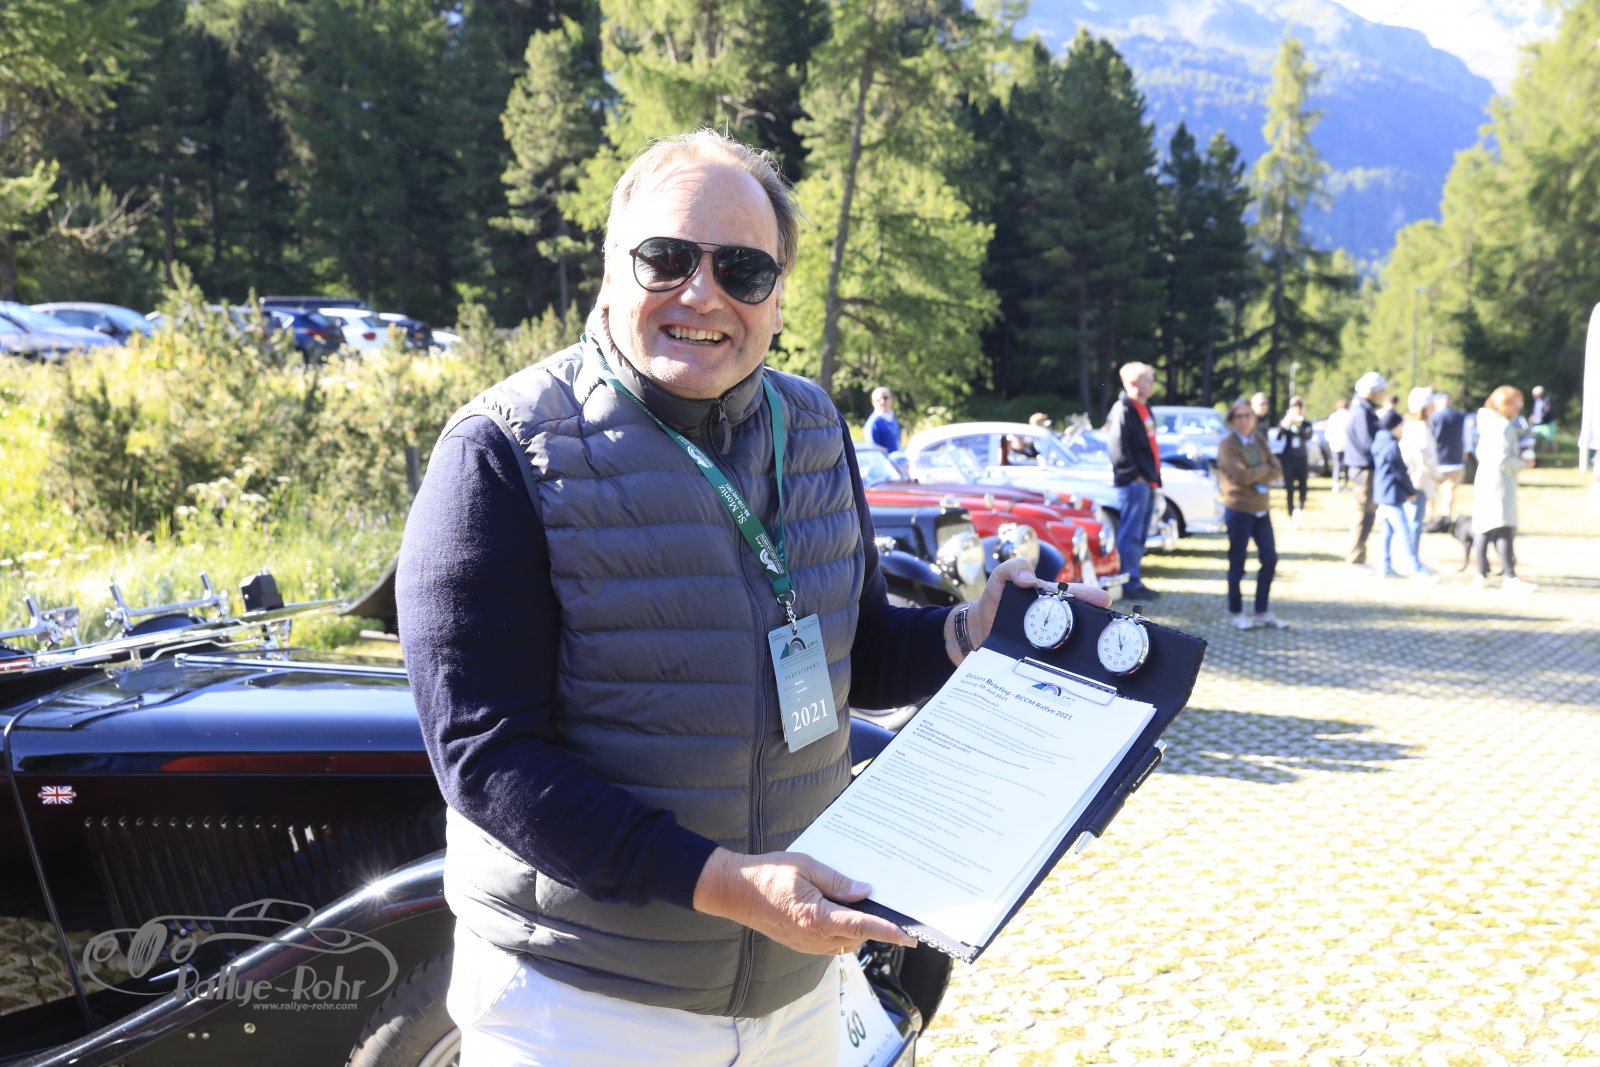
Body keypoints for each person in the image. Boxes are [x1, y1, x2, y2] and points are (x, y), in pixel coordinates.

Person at [396, 128, 1111, 1064]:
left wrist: (966, 632)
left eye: (742, 269)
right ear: (610, 271)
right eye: (667, 258)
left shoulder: (812, 425)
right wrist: (727, 884)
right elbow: (488, 758)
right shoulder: (501, 450)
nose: (703, 293)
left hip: (798, 992)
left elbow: (853, 652)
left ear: (777, 300)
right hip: (585, 1006)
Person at [1216, 398, 1286, 629]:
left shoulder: (1259, 440)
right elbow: (1240, 476)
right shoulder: (1228, 445)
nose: (1244, 420)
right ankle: (1236, 611)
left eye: (1248, 415)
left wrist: (1256, 471)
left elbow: (1277, 469)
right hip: (1239, 508)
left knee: (1270, 559)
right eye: (1239, 416)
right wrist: (1264, 470)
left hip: (1261, 508)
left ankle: (1261, 610)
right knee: (1238, 562)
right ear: (1232, 419)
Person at [1104, 361, 1163, 601]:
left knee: (1140, 535)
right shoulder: (1124, 408)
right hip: (1134, 483)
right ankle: (1129, 582)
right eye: (1147, 380)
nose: (1152, 384)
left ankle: (1135, 579)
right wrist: (1133, 474)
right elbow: (1116, 446)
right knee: (1131, 534)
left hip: (1147, 481)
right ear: (1132, 382)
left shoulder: (1144, 407)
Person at [1472, 385, 1536, 592]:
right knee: (1504, 528)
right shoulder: (1502, 426)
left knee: (1483, 528)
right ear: (1504, 404)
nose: (1519, 407)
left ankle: (1482, 574)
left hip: (1485, 478)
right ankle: (1509, 575)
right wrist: (1522, 463)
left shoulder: (1487, 423)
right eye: (1516, 403)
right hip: (1499, 481)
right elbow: (1501, 457)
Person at [1373, 408, 1437, 582]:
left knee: (1387, 532)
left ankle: (1384, 567)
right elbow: (1400, 472)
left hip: (1382, 493)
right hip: (1391, 495)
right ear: (1395, 426)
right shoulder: (1391, 446)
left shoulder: (1379, 441)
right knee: (1405, 532)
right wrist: (1411, 491)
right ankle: (1416, 569)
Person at [1343, 372, 1386, 571]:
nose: (1381, 395)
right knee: (1363, 513)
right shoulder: (1361, 412)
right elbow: (1368, 442)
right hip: (1364, 469)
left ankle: (1358, 556)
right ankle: (1356, 558)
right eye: (1379, 391)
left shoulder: (1363, 409)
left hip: (1364, 467)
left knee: (1367, 513)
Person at [1399, 386, 1439, 558]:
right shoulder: (1420, 428)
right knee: (1414, 521)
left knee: (1412, 519)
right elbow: (1426, 457)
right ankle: (1412, 558)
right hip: (1418, 480)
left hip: (1414, 478)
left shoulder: (1411, 425)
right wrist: (1437, 474)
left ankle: (1411, 557)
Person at [1275, 395, 1314, 525]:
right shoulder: (1286, 423)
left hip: (1301, 458)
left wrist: (1299, 424)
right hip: (1289, 458)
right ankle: (1290, 511)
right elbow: (1278, 437)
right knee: (1289, 487)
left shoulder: (1306, 423)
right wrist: (1285, 424)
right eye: (1294, 406)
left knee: (1303, 486)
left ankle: (1299, 507)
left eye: (1299, 406)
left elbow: (1308, 436)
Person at [1429, 391, 1466, 524]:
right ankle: (1446, 516)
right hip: (1455, 459)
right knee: (1449, 490)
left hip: (1437, 459)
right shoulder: (1459, 416)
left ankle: (1431, 517)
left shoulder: (1433, 417)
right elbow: (1465, 438)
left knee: (1432, 490)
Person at [862, 385, 900, 451]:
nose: (882, 402)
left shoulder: (892, 418)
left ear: (891, 399)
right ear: (873, 402)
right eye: (878, 400)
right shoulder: (874, 423)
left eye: (885, 398)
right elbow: (873, 450)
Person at [1325, 398, 1352, 491]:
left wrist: (1330, 441)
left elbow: (1329, 431)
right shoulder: (1349, 416)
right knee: (1347, 466)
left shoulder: (1333, 416)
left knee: (1337, 465)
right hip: (1347, 444)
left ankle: (1336, 484)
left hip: (1335, 444)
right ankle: (1345, 484)